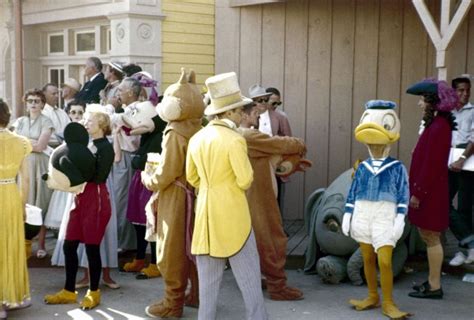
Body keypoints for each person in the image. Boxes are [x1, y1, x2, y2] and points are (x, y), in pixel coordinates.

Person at [186, 72, 268, 320]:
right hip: (234, 216)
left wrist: (211, 185)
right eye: (239, 110)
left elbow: (192, 177)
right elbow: (245, 180)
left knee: (208, 287)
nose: (243, 114)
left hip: (206, 217)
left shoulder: (197, 138)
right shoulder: (235, 140)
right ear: (230, 112)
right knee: (250, 280)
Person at [141, 69, 203, 318]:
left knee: (171, 249)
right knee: (193, 247)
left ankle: (172, 303)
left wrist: (148, 179)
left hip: (176, 195)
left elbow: (166, 173)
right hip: (195, 192)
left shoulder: (175, 132)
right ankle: (197, 294)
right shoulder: (198, 126)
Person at [341, 100, 409, 319]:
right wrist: (348, 214)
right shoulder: (362, 167)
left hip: (385, 215)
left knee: (385, 259)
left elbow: (403, 194)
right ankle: (372, 296)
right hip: (363, 213)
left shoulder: (397, 168)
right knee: (367, 257)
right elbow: (353, 191)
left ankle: (388, 302)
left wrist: (400, 218)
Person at [44, 111, 115, 310]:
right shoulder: (87, 145)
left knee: (92, 248)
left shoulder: (105, 148)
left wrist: (75, 170)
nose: (85, 123)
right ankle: (68, 291)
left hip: (96, 198)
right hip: (79, 197)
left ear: (101, 124)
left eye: (89, 121)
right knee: (69, 245)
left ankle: (94, 292)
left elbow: (99, 176)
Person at [238, 101, 306, 301]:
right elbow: (283, 143)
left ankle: (262, 278)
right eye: (255, 113)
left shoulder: (241, 135)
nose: (258, 117)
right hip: (259, 195)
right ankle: (277, 286)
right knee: (271, 238)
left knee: (257, 239)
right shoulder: (247, 135)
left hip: (253, 193)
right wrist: (300, 144)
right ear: (244, 114)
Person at [406, 79, 458, 299]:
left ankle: (435, 285)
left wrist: (418, 192)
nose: (420, 103)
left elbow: (432, 164)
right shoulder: (437, 125)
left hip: (429, 193)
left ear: (433, 102)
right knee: (429, 237)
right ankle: (431, 281)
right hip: (430, 191)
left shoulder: (439, 127)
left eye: (423, 99)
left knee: (431, 237)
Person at [11, 89, 54, 259]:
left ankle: (41, 245)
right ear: (26, 103)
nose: (34, 104)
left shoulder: (46, 121)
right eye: (30, 101)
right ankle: (21, 243)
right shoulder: (20, 121)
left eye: (37, 101)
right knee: (23, 203)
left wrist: (24, 142)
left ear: (43, 104)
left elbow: (40, 147)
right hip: (22, 165)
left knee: (40, 202)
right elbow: (13, 143)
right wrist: (30, 142)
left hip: (39, 165)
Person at [0, 99, 32, 319]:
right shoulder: (21, 142)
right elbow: (27, 180)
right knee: (9, 246)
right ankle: (9, 298)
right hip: (10, 194)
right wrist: (22, 205)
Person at [110, 78, 141, 253]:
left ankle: (124, 242)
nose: (118, 94)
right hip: (121, 155)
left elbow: (134, 139)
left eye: (120, 90)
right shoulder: (127, 110)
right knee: (119, 198)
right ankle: (122, 240)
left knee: (122, 199)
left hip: (127, 156)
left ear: (130, 92)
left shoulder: (136, 110)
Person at [447, 77, 474, 266]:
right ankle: (470, 244)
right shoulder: (446, 112)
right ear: (453, 92)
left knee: (465, 206)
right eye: (461, 90)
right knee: (443, 202)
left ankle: (463, 252)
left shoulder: (472, 111)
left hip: (467, 164)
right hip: (448, 163)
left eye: (467, 90)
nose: (465, 94)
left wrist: (462, 158)